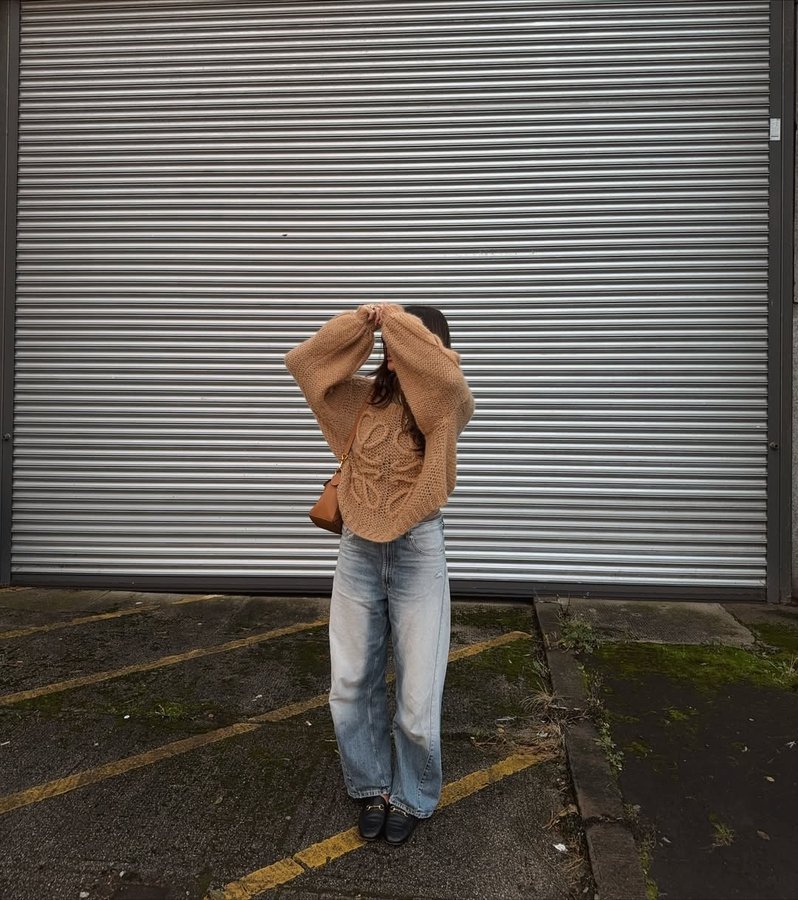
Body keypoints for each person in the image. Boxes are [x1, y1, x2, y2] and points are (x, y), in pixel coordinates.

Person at [285, 302, 474, 845]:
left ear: (428, 346)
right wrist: (361, 325)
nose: (393, 355)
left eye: (403, 344)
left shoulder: (444, 410)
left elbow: (446, 381)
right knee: (349, 684)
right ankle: (371, 785)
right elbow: (305, 365)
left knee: (417, 697)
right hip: (359, 549)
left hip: (418, 549)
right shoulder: (361, 401)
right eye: (391, 344)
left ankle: (413, 794)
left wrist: (400, 322)